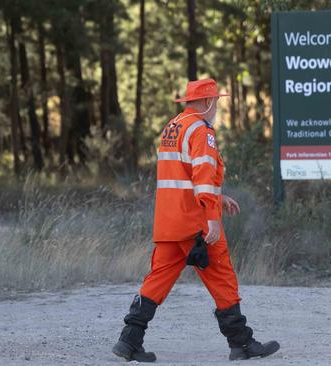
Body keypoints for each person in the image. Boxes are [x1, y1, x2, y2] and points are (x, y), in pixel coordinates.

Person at [112, 78, 280, 362]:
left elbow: (183, 175)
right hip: (196, 223)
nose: (217, 108)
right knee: (222, 278)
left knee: (158, 279)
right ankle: (242, 343)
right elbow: (202, 173)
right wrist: (212, 217)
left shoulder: (173, 126)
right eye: (216, 102)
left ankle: (129, 341)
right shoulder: (201, 130)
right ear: (207, 102)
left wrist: (219, 195)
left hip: (169, 221)